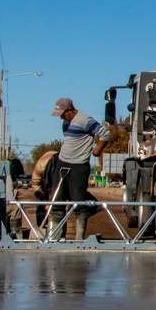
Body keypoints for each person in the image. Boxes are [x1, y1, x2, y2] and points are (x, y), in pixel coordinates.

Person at [51, 97, 109, 239]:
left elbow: (105, 134)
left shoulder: (84, 120)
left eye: (63, 114)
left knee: (79, 202)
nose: (61, 118)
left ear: (70, 110)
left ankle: (79, 238)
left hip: (78, 166)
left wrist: (97, 150)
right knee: (56, 200)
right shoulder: (66, 121)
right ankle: (55, 237)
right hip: (62, 163)